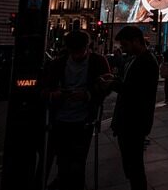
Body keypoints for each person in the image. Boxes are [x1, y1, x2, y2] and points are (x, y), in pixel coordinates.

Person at [42, 31, 111, 190]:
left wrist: (87, 95)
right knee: (62, 159)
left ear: (88, 47)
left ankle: (76, 185)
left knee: (78, 160)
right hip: (60, 119)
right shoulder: (57, 64)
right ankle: (64, 181)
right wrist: (55, 95)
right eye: (74, 52)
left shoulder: (98, 61)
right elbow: (44, 89)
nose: (78, 55)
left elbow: (107, 86)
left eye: (80, 51)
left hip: (84, 120)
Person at [110, 26, 159, 190]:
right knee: (131, 166)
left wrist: (113, 84)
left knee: (135, 167)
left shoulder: (147, 61)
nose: (123, 49)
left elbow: (136, 92)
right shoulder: (134, 59)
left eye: (125, 45)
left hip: (134, 122)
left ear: (136, 41)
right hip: (128, 121)